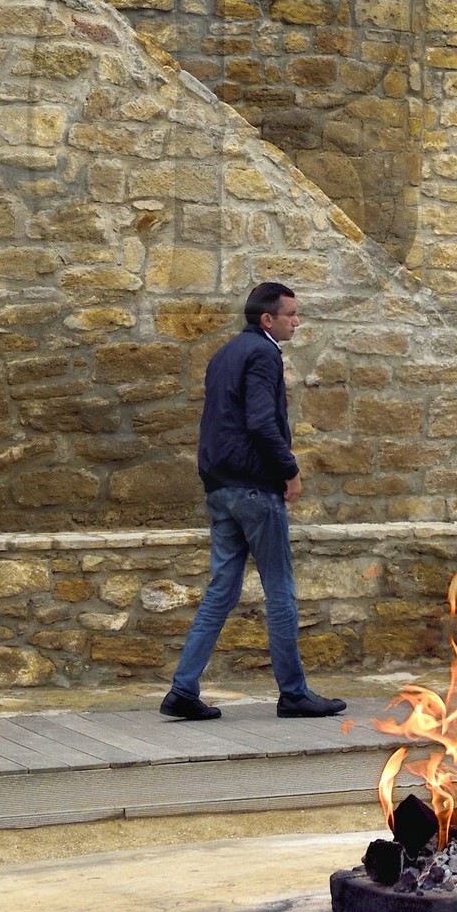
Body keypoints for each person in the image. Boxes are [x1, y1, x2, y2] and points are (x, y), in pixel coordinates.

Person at [159, 281, 346, 723]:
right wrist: (290, 470)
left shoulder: (225, 353)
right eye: (291, 315)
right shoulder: (263, 354)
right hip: (255, 490)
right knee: (280, 590)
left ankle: (182, 690)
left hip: (221, 488)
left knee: (221, 591)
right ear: (268, 319)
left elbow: (218, 422)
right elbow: (261, 423)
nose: (297, 322)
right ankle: (294, 694)